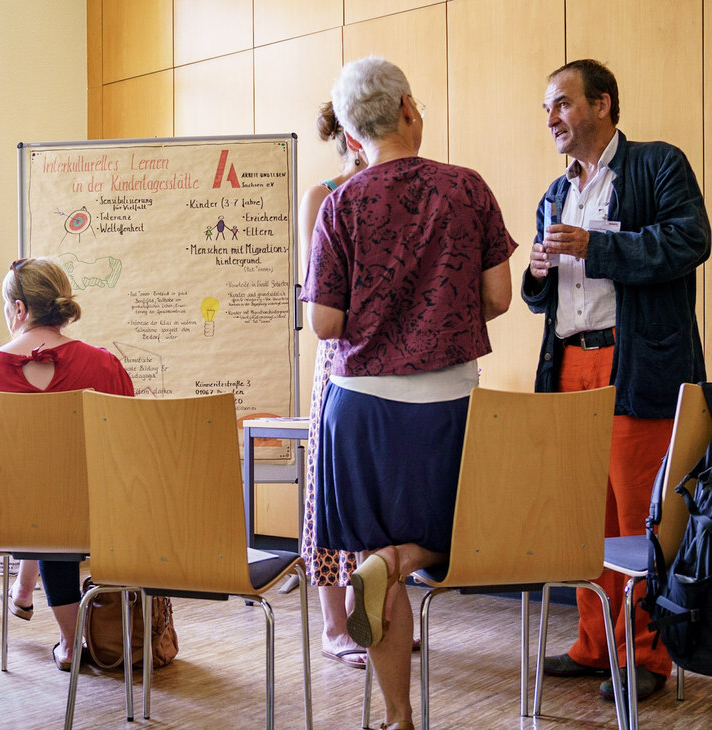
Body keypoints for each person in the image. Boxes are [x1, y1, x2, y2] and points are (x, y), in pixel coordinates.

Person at [299, 56, 515, 730]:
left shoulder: (340, 202)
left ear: (355, 131)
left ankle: (398, 717)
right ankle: (397, 565)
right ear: (409, 110)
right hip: (446, 399)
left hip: (359, 404)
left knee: (376, 560)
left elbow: (325, 323)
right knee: (447, 538)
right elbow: (499, 297)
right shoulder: (466, 188)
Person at [526, 59, 710, 703]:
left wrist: (594, 248)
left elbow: (690, 240)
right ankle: (595, 642)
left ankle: (647, 657)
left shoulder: (658, 163)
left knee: (641, 517)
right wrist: (540, 272)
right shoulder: (556, 191)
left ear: (601, 104)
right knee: (582, 516)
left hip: (640, 366)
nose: (551, 118)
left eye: (561, 104)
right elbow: (546, 297)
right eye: (547, 107)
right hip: (570, 365)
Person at [0, 256, 134, 671]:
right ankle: (67, 636)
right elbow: (125, 448)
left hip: (10, 517)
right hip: (93, 517)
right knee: (62, 501)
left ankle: (64, 635)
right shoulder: (104, 365)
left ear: (19, 309)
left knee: (43, 501)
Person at [298, 100, 367, 670]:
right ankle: (333, 625)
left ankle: (370, 614)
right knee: (329, 485)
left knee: (376, 489)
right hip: (340, 355)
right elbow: (318, 290)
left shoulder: (402, 188)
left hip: (390, 361)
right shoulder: (324, 195)